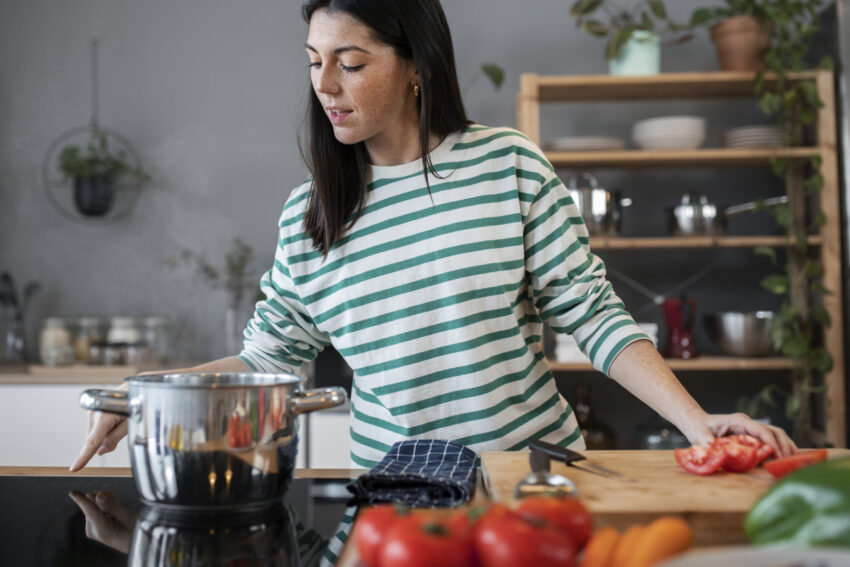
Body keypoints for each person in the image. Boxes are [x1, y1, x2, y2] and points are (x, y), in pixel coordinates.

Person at [70, 0, 797, 473]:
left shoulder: (508, 165)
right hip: (397, 489)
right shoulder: (311, 213)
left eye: (351, 63)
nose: (326, 84)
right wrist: (145, 394)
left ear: (416, 66)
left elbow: (596, 316)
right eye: (314, 62)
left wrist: (699, 422)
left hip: (530, 474)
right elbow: (269, 358)